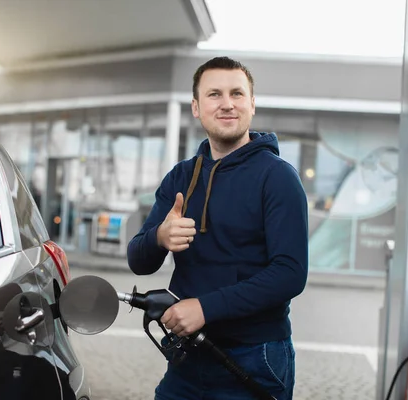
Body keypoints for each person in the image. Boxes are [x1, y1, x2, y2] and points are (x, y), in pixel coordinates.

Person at [127, 57, 308, 400]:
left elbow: (290, 273)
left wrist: (205, 308)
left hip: (255, 356)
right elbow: (139, 260)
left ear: (251, 104)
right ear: (196, 107)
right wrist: (159, 237)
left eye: (237, 94)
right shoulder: (181, 177)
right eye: (214, 95)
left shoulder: (278, 177)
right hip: (187, 359)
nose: (227, 103)